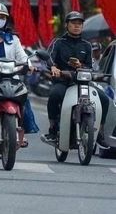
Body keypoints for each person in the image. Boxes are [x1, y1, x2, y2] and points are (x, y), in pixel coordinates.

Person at [41, 11, 109, 143]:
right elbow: (49, 58)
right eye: (73, 23)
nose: (77, 26)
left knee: (104, 100)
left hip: (82, 82)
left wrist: (80, 65)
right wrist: (53, 67)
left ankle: (100, 132)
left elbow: (90, 66)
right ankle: (53, 128)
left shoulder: (87, 45)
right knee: (54, 95)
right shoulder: (58, 42)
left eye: (79, 23)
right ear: (66, 25)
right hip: (63, 81)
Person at [0, 3, 37, 146]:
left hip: (10, 77)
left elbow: (22, 57)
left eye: (2, 17)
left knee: (23, 96)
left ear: (6, 20)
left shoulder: (13, 39)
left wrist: (29, 65)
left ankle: (21, 131)